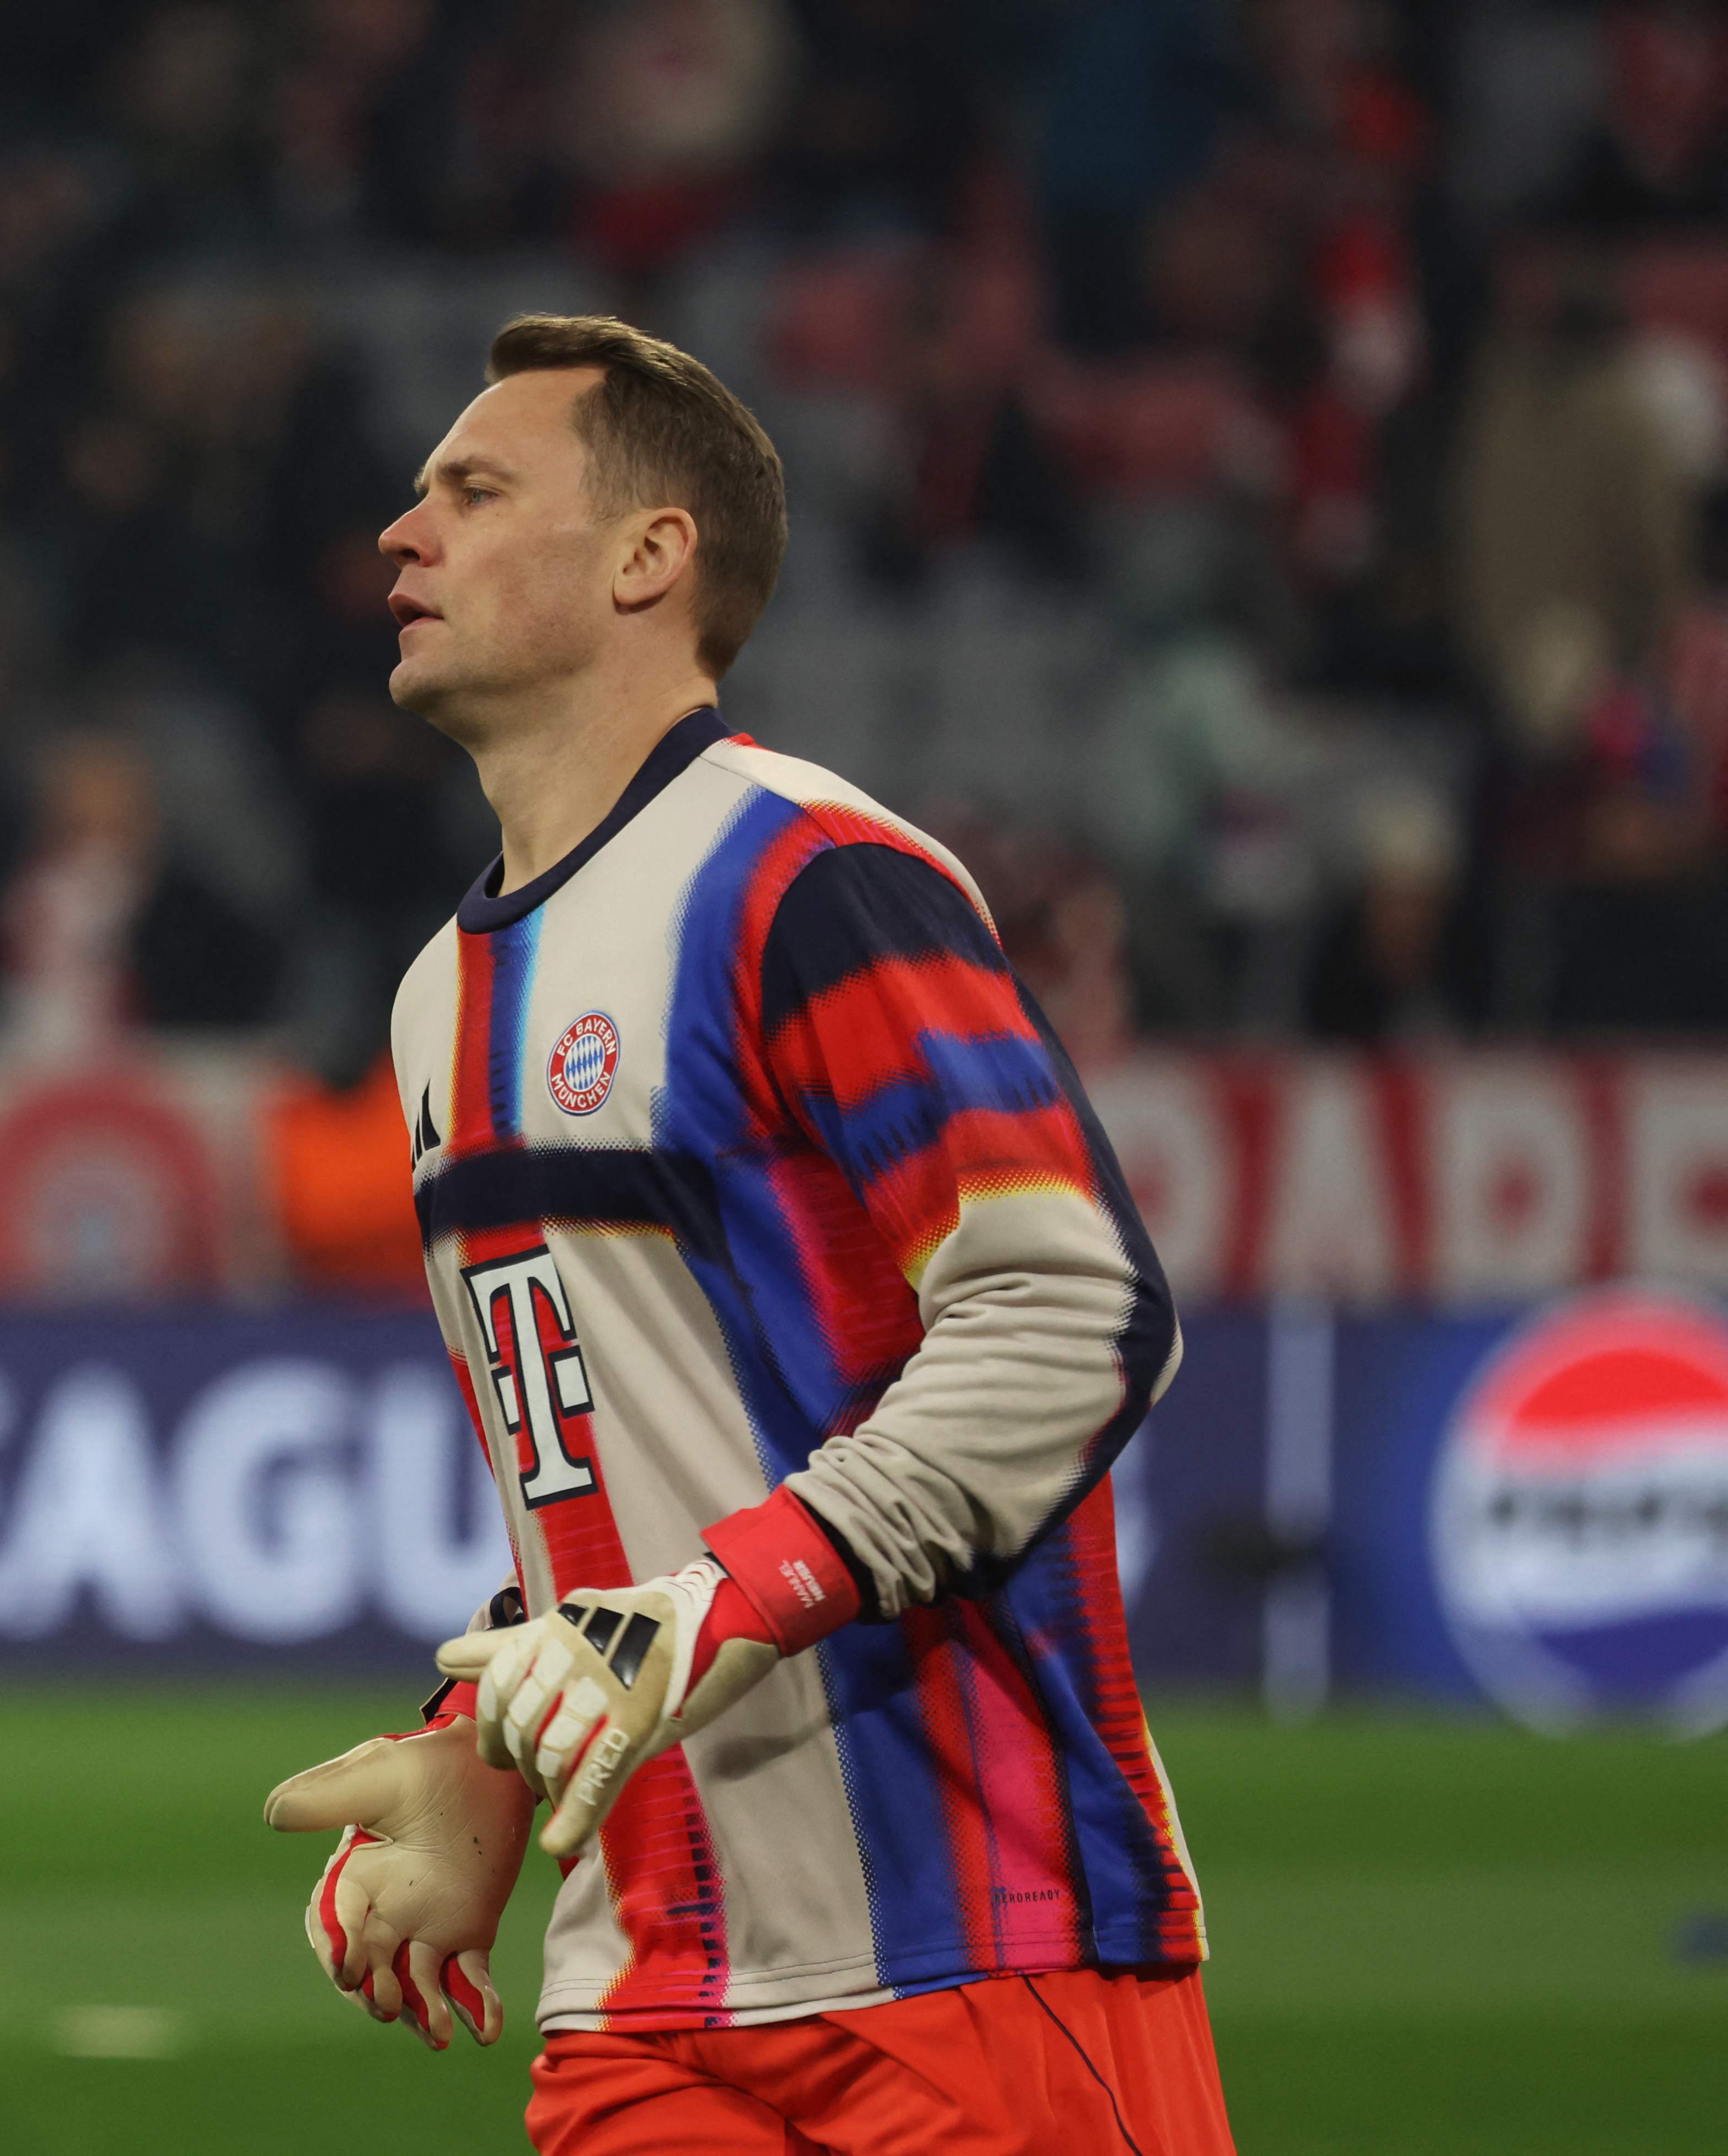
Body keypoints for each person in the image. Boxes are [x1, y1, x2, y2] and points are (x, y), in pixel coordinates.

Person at [260, 317, 1229, 2154]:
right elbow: (625, 1475)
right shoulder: (428, 1009)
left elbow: (1078, 1311)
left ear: (647, 559)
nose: (404, 534)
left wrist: (717, 1600)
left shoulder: (808, 877)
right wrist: (481, 1747)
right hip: (639, 1996)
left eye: (472, 491)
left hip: (974, 1953)